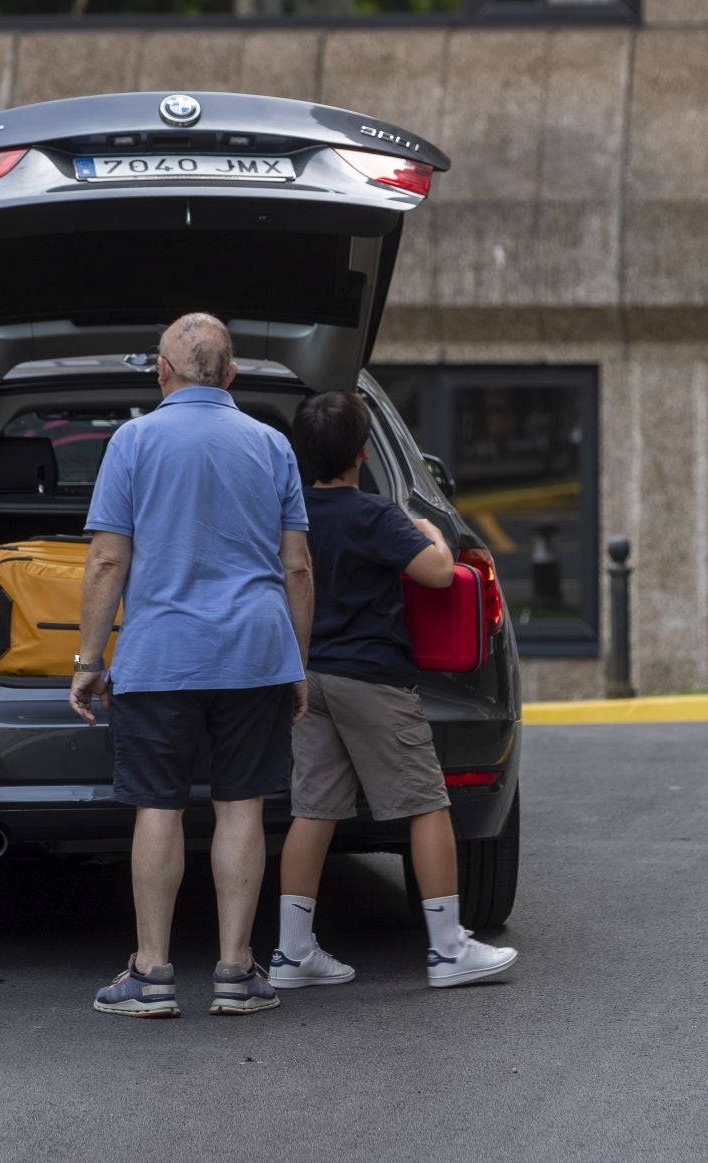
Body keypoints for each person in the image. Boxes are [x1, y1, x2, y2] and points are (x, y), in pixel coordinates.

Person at [70, 312, 314, 1019]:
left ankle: (151, 973)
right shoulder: (272, 445)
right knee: (242, 805)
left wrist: (89, 658)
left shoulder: (134, 440)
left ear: (161, 371)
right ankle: (237, 971)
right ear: (232, 376)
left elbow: (109, 558)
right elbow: (296, 565)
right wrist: (295, 662)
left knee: (160, 806)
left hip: (162, 655)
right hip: (254, 652)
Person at [270, 391, 518, 990]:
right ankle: (448, 949)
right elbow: (436, 572)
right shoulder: (376, 515)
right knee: (426, 803)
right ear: (361, 453)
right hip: (373, 680)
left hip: (311, 680)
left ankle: (293, 952)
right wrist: (430, 531)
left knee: (313, 809)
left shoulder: (291, 514)